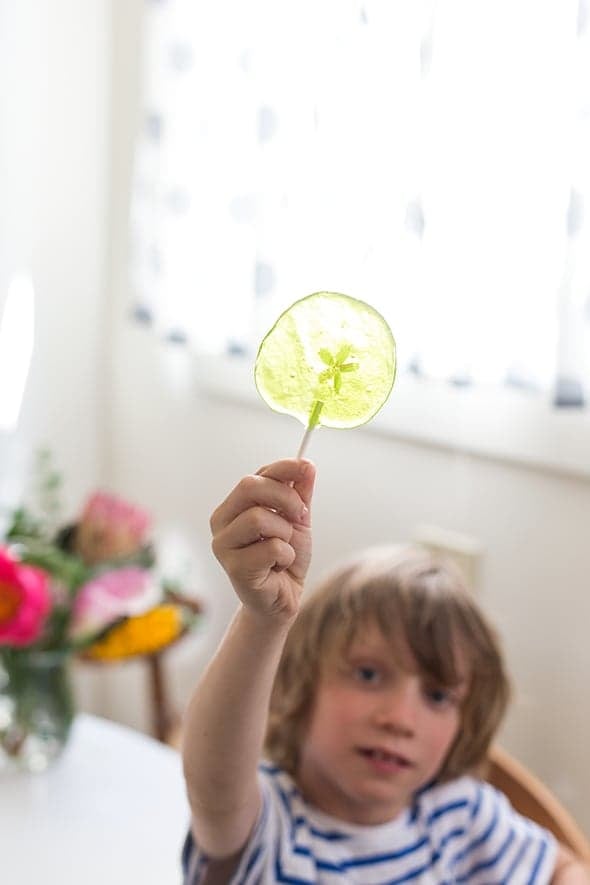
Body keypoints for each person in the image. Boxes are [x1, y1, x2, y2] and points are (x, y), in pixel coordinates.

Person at [181, 458, 589, 883]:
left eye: (437, 696)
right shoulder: (272, 829)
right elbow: (215, 788)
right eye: (369, 675)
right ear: (301, 683)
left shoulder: (459, 815)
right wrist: (264, 619)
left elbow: (565, 868)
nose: (399, 719)